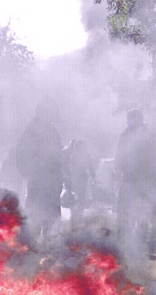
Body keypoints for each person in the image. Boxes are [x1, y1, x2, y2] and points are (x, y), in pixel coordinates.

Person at [16, 97, 64, 239]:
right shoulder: (32, 132)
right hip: (39, 184)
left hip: (50, 185)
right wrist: (32, 174)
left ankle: (47, 254)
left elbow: (56, 157)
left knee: (50, 227)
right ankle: (32, 256)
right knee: (35, 224)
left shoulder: (50, 130)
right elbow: (21, 156)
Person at [114, 108, 152, 240]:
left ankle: (140, 239)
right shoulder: (125, 135)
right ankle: (123, 238)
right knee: (124, 209)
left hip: (143, 178)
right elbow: (119, 156)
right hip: (129, 178)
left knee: (142, 210)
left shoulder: (147, 133)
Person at [62, 139, 96, 224]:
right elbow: (90, 168)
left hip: (78, 179)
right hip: (77, 179)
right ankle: (76, 216)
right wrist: (93, 177)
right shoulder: (76, 156)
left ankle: (76, 216)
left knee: (78, 199)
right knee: (78, 199)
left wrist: (93, 177)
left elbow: (90, 167)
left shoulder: (75, 155)